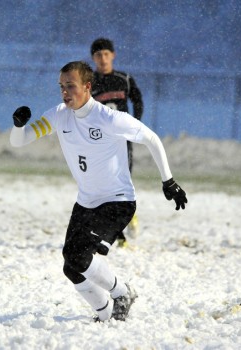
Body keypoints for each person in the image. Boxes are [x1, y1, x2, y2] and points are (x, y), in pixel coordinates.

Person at [10, 61, 187, 322]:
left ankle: (123, 293)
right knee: (71, 267)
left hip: (117, 202)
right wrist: (17, 125)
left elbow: (151, 138)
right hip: (86, 202)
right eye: (61, 86)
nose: (65, 92)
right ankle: (105, 314)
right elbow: (19, 141)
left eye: (71, 86)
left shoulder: (108, 118)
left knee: (78, 256)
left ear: (88, 87)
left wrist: (168, 181)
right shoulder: (60, 115)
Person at [90, 38, 144, 247]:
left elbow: (137, 100)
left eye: (105, 54)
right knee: (104, 185)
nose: (102, 59)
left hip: (121, 141)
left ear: (112, 55)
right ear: (93, 58)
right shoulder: (90, 83)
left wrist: (134, 123)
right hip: (100, 142)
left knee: (121, 183)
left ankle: (127, 218)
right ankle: (117, 233)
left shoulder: (124, 79)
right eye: (98, 55)